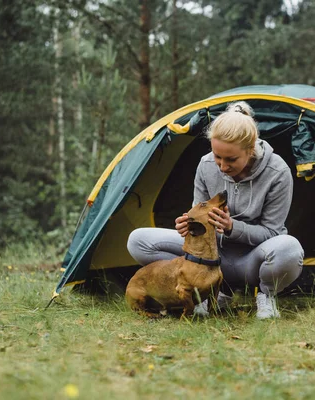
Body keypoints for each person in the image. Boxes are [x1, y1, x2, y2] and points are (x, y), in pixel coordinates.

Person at [127, 101, 304, 319]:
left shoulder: (277, 172)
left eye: (231, 159)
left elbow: (272, 232)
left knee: (289, 249)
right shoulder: (205, 165)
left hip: (249, 261)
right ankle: (199, 292)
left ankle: (266, 296)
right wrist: (188, 226)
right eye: (217, 156)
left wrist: (232, 227)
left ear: (250, 150)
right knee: (138, 241)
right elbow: (198, 210)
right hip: (208, 258)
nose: (222, 166)